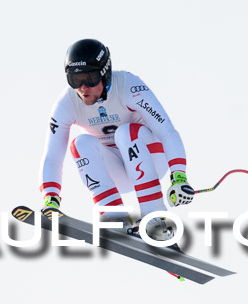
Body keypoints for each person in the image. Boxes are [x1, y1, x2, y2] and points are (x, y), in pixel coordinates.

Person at [38, 39, 194, 241]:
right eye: (75, 80)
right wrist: (50, 198)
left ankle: (156, 218)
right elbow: (52, 157)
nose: (83, 88)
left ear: (105, 73)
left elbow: (167, 132)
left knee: (125, 132)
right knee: (80, 144)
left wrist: (179, 175)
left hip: (151, 159)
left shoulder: (128, 86)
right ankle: (114, 217)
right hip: (116, 170)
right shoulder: (67, 102)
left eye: (91, 79)